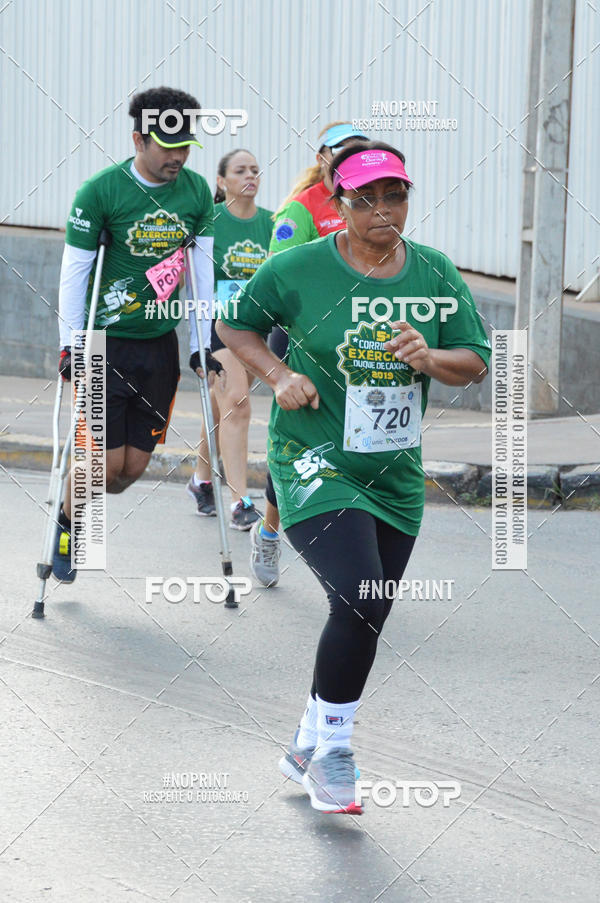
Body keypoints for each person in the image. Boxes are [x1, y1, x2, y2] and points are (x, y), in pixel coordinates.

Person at [217, 141, 491, 814]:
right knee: (362, 597)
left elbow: (476, 360)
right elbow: (235, 323)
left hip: (394, 473)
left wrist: (430, 356)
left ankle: (307, 740)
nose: (381, 210)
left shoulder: (433, 273)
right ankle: (334, 750)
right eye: (364, 198)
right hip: (315, 461)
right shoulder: (298, 268)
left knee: (365, 614)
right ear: (337, 204)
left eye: (394, 195)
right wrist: (278, 376)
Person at [53, 86, 217, 582]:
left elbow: (202, 271)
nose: (178, 156)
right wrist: (70, 344)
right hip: (105, 342)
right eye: (168, 146)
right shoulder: (101, 191)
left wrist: (201, 344)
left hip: (159, 347)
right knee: (101, 465)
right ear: (138, 140)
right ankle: (68, 526)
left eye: (185, 145)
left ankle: (76, 494)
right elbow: (74, 273)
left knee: (129, 473)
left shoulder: (195, 193)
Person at [250, 122, 369, 586]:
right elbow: (278, 278)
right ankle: (269, 530)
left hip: (358, 342)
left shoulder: (371, 201)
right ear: (323, 159)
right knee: (296, 445)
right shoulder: (301, 209)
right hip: (301, 340)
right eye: (342, 155)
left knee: (357, 442)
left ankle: (358, 541)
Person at [187, 149, 273, 530]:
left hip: (258, 329)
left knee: (224, 406)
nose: (250, 176)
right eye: (240, 171)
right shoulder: (210, 222)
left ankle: (200, 479)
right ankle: (240, 501)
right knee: (237, 404)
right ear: (221, 181)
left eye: (255, 170)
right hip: (218, 326)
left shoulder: (273, 223)